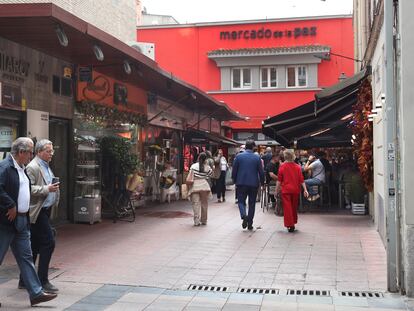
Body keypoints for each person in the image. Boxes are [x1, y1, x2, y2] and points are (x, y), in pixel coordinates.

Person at [0, 137, 57, 307]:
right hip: (6, 222)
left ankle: (36, 293)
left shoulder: (22, 167)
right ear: (21, 152)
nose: (32, 155)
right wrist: (10, 204)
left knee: (26, 258)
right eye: (30, 152)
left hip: (22, 221)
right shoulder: (5, 167)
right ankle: (36, 291)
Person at [18, 139, 60, 293]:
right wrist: (46, 189)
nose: (51, 154)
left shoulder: (45, 165)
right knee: (49, 243)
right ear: (39, 151)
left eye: (52, 151)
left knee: (35, 245)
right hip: (37, 212)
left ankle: (24, 280)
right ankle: (43, 280)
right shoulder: (33, 167)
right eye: (49, 151)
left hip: (45, 211)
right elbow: (27, 189)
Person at [232, 139, 264, 230]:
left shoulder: (239, 156)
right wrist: (262, 182)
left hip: (241, 183)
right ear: (253, 147)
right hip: (253, 184)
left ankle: (243, 215)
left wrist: (234, 180)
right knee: (252, 203)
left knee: (241, 201)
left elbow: (234, 170)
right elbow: (261, 172)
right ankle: (250, 223)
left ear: (245, 146)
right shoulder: (257, 157)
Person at [276, 149, 309, 232]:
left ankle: (290, 224)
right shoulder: (297, 167)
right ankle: (293, 222)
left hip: (286, 190)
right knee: (294, 207)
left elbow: (279, 180)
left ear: (285, 156)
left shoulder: (282, 166)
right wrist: (305, 190)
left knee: (287, 208)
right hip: (295, 190)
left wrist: (276, 191)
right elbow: (301, 180)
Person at [188, 153, 212, 226]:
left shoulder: (193, 166)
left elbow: (190, 175)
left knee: (196, 203)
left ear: (198, 158)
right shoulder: (207, 167)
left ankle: (196, 220)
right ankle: (204, 220)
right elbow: (209, 176)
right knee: (204, 204)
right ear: (206, 159)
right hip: (204, 186)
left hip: (195, 186)